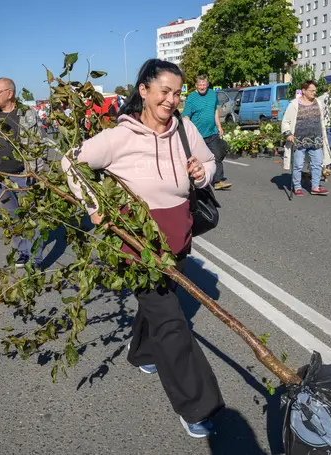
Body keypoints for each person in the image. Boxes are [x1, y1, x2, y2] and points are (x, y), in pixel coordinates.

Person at [62, 59, 224, 439]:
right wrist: (95, 205)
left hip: (179, 239)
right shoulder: (121, 136)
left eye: (177, 92)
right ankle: (197, 405)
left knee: (162, 303)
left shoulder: (184, 129)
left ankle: (142, 352)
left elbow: (210, 161)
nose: (171, 99)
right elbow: (71, 162)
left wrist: (204, 173)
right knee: (171, 321)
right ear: (144, 90)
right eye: (164, 91)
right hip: (137, 249)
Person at [0, 77, 51, 268]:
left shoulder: (27, 114)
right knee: (12, 218)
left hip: (25, 176)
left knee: (31, 216)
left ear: (9, 93)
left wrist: (39, 173)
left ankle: (36, 257)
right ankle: (22, 252)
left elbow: (40, 144)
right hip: (1, 178)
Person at [281, 80, 331, 196]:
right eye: (311, 91)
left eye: (315, 90)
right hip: (299, 140)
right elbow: (286, 121)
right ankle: (297, 187)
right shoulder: (294, 104)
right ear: (304, 91)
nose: (314, 93)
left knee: (317, 164)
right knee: (298, 165)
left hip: (316, 139)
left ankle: (315, 187)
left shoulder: (318, 103)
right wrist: (288, 133)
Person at [182, 75, 231, 190]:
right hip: (197, 135)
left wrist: (219, 126)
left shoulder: (213, 94)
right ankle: (192, 180)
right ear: (196, 85)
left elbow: (215, 111)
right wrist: (188, 132)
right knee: (196, 159)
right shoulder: (191, 98)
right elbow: (186, 116)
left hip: (212, 132)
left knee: (217, 155)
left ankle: (217, 181)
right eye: (200, 85)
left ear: (208, 85)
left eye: (204, 84)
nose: (202, 87)